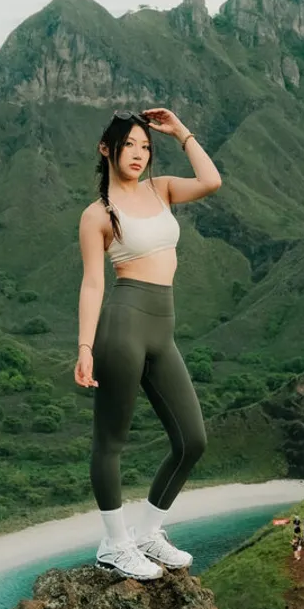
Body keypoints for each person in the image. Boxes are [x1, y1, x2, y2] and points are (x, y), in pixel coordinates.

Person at [75, 108, 223, 579]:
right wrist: (84, 347)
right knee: (110, 441)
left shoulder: (161, 190)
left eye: (145, 146)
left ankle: (146, 534)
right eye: (129, 145)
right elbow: (93, 285)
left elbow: (211, 180)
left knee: (192, 441)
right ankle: (114, 544)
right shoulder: (98, 214)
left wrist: (181, 132)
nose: (139, 154)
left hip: (163, 326)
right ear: (107, 150)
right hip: (123, 324)